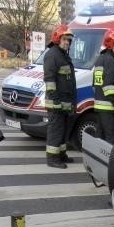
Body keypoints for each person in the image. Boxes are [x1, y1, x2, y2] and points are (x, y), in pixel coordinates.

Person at [43, 24, 77, 169]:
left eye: (69, 40)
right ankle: (52, 159)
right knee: (55, 130)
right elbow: (50, 80)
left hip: (64, 102)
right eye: (65, 39)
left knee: (63, 130)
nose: (67, 42)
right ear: (58, 38)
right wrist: (55, 101)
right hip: (56, 102)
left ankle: (62, 155)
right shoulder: (52, 54)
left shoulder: (63, 55)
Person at [92, 29, 114, 144]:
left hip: (99, 106)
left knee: (99, 137)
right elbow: (109, 87)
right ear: (110, 43)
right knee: (112, 137)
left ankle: (97, 161)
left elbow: (96, 84)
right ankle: (110, 161)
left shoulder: (100, 59)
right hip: (108, 107)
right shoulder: (110, 60)